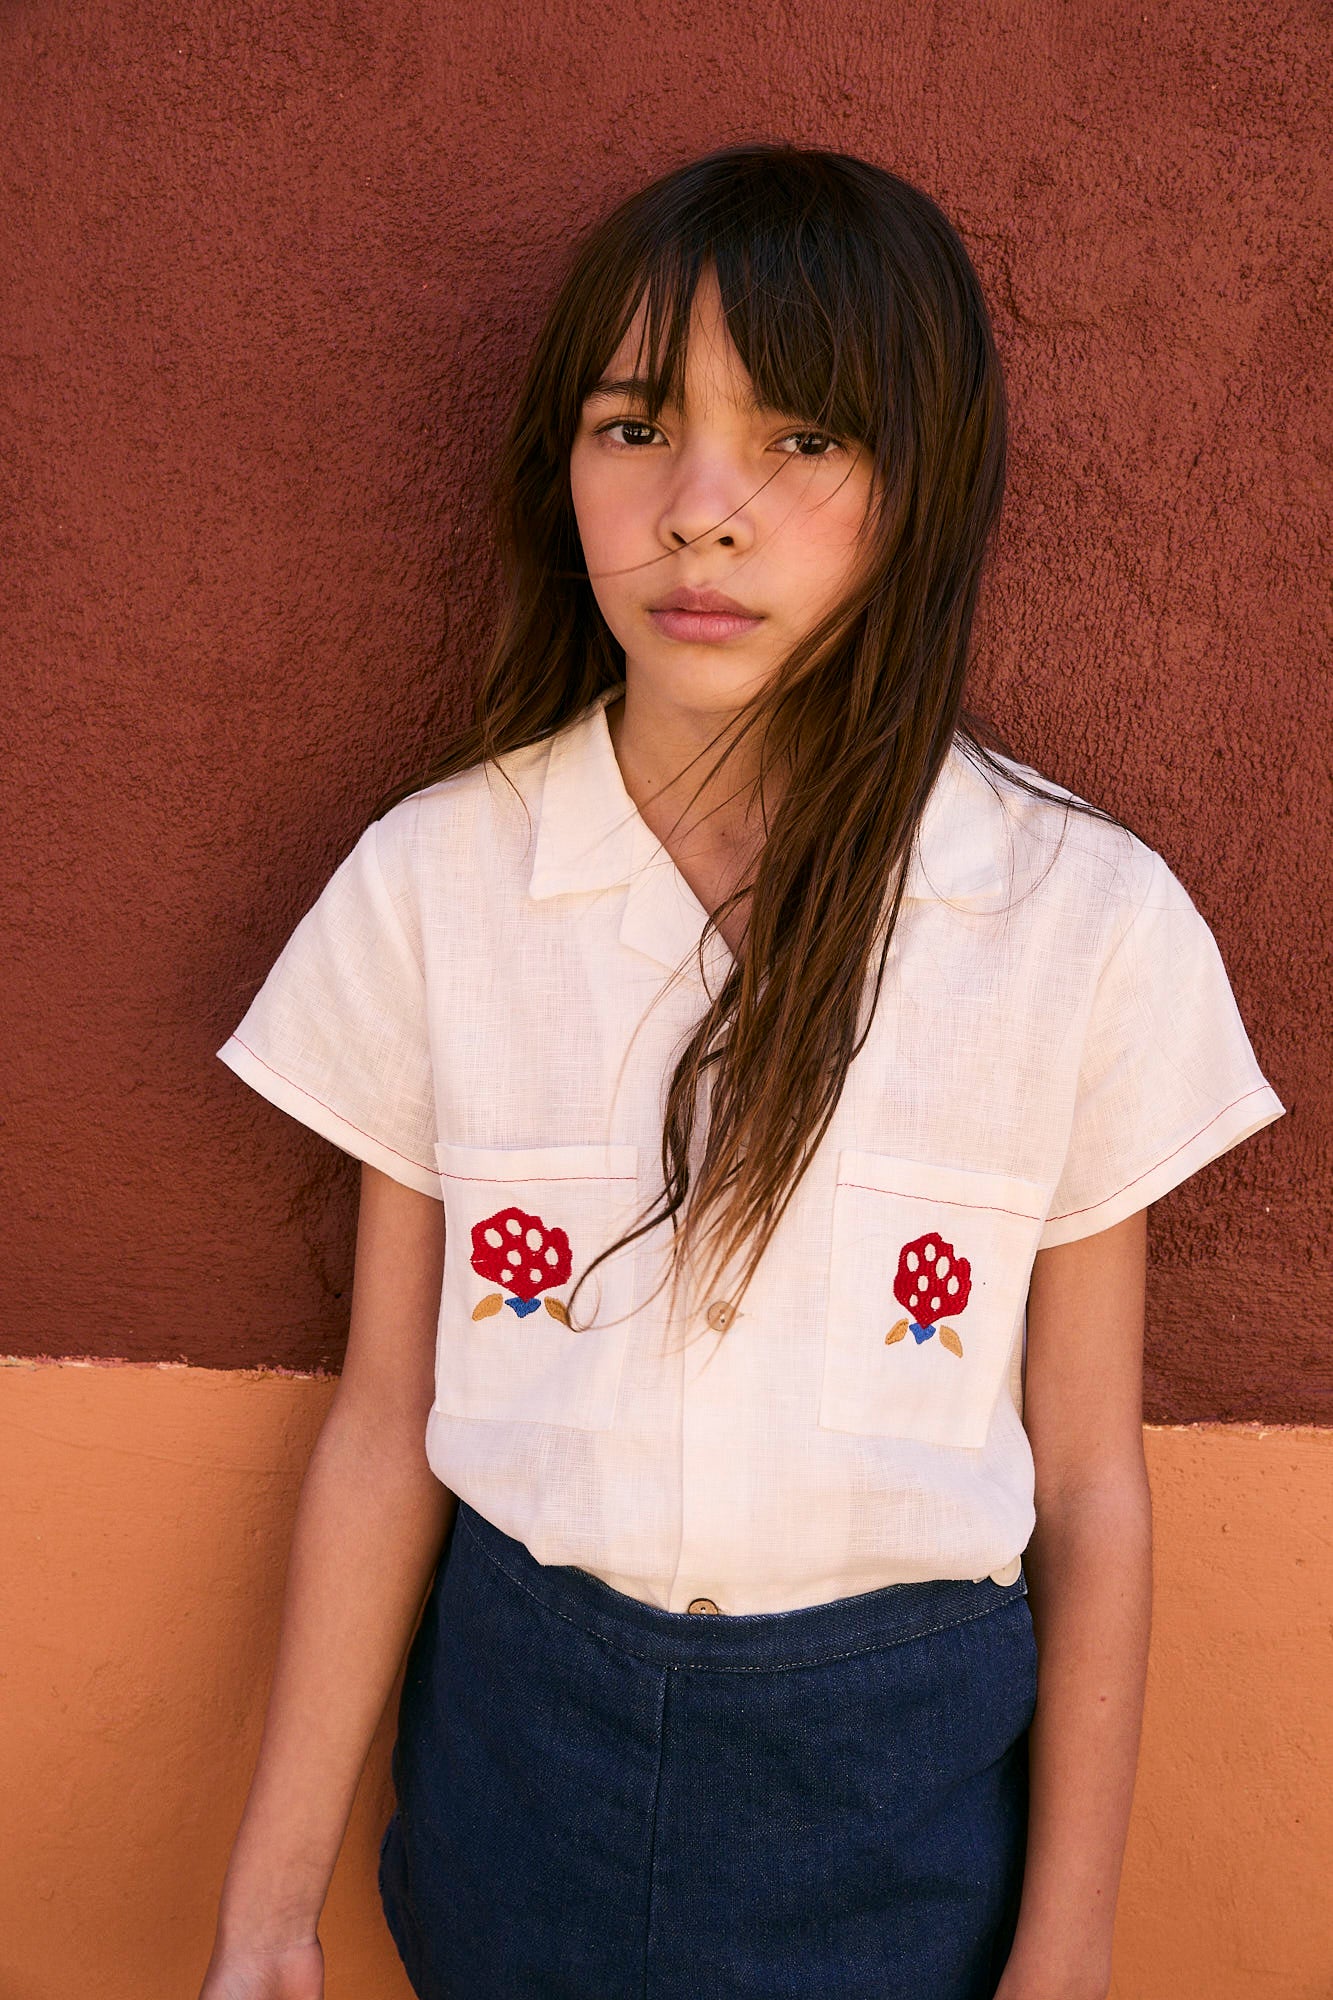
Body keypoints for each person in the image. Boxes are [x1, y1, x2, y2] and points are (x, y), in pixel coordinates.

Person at [198, 143, 1285, 2000]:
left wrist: (1066, 1954)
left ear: (922, 485)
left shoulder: (1072, 920)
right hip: (518, 1767)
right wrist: (268, 1913)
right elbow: (388, 1423)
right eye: (634, 428)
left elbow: (1087, 1482)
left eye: (801, 439)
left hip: (899, 1799)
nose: (700, 514)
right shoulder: (441, 887)